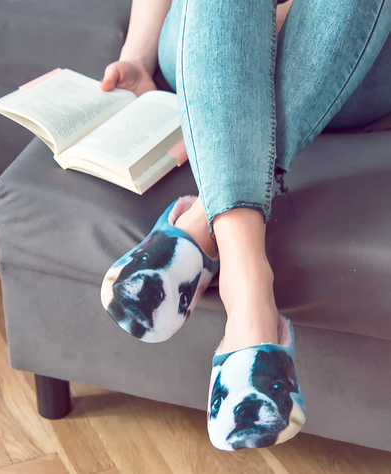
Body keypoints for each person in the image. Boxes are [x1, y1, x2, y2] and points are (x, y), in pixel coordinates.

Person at [99, 0, 391, 451]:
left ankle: (208, 231)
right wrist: (138, 56)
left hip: (360, 52)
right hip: (210, 31)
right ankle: (249, 283)